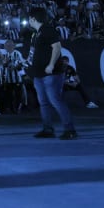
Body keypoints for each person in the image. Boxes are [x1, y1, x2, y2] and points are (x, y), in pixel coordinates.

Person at [27, 7, 78, 140]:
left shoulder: (47, 29)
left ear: (33, 18)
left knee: (55, 100)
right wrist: (28, 63)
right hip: (39, 74)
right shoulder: (36, 33)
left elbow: (57, 46)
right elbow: (33, 52)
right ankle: (47, 129)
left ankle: (70, 129)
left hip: (51, 73)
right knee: (44, 102)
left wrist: (51, 65)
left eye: (29, 18)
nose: (27, 21)